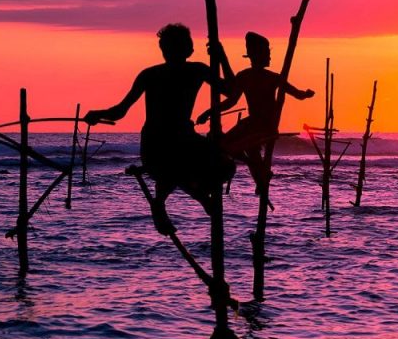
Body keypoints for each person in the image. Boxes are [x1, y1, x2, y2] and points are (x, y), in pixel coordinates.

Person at [84, 23, 234, 235]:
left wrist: (97, 114)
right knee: (180, 166)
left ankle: (183, 196)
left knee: (220, 165)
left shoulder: (178, 72)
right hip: (160, 146)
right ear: (188, 49)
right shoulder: (186, 71)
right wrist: (221, 57)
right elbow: (232, 91)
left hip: (178, 141)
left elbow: (119, 112)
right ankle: (183, 198)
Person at [197, 31, 314, 190]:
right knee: (227, 146)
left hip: (265, 126)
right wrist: (209, 112)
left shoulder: (272, 77)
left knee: (239, 148)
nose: (269, 58)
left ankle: (260, 175)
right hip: (252, 124)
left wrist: (305, 94)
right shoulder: (246, 76)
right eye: (267, 53)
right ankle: (259, 174)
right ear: (257, 55)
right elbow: (231, 101)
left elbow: (297, 94)